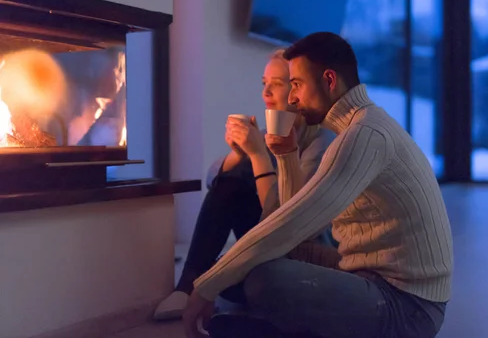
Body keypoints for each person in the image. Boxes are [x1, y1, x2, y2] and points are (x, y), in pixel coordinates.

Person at [183, 32, 454, 338]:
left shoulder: (363, 135)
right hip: (368, 275)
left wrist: (204, 288)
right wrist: (285, 153)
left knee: (264, 279)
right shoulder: (361, 125)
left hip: (407, 308)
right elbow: (295, 228)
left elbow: (292, 225)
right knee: (244, 271)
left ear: (328, 81)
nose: (292, 97)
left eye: (295, 84)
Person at [154, 49, 335, 321]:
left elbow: (290, 221)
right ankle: (188, 285)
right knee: (230, 187)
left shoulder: (323, 144)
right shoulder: (269, 133)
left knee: (232, 281)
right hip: (268, 246)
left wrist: (259, 156)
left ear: (298, 89)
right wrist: (238, 154)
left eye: (277, 84)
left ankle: (239, 296)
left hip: (304, 256)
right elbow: (214, 182)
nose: (266, 94)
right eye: (264, 84)